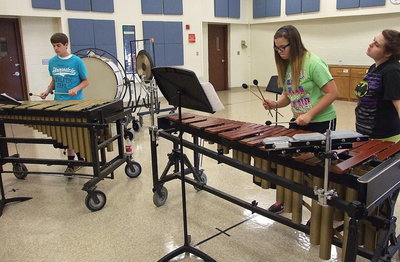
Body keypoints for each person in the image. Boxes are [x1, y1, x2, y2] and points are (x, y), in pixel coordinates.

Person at [262, 25, 338, 214]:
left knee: (316, 170)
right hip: (299, 120)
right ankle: (286, 200)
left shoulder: (313, 63)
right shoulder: (287, 65)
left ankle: (319, 212)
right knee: (290, 162)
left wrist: (310, 114)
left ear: (294, 44)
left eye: (283, 47)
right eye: (276, 48)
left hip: (321, 122)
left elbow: (333, 93)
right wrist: (276, 104)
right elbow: (290, 96)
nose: (280, 52)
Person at [40, 32, 89, 174]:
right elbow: (54, 81)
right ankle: (71, 161)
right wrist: (47, 91)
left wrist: (76, 89)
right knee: (66, 133)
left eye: (58, 45)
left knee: (75, 132)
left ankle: (80, 158)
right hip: (59, 103)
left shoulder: (77, 61)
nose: (56, 48)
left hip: (75, 103)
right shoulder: (53, 62)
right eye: (54, 46)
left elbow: (86, 81)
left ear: (66, 45)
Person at [354, 29, 400, 142]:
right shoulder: (374, 67)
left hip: (384, 138)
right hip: (366, 133)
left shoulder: (392, 71)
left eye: (377, 45)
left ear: (388, 53)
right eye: (373, 40)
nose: (371, 44)